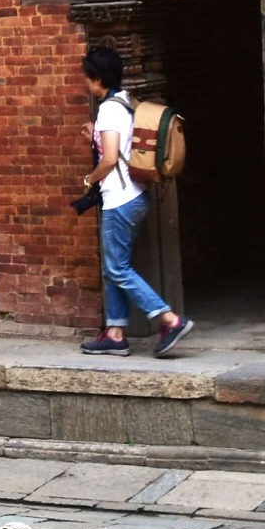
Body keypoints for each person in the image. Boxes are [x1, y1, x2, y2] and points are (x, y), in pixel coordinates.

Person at [79, 45, 190, 357]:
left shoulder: (108, 109)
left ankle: (170, 320)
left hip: (120, 199)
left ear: (98, 78)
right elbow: (122, 145)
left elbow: (110, 159)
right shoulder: (126, 102)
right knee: (114, 267)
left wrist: (89, 179)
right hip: (135, 196)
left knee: (118, 268)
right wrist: (95, 135)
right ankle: (115, 334)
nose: (85, 83)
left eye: (87, 78)